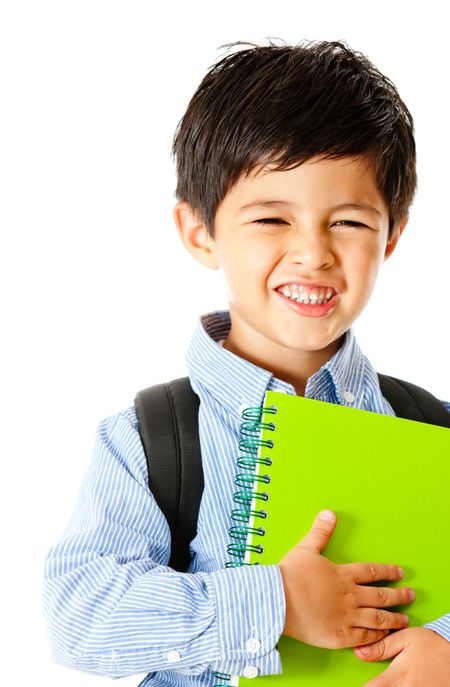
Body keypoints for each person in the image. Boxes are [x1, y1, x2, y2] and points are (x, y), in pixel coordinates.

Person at [42, 40, 450, 687]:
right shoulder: (149, 439)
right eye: (270, 218)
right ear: (200, 231)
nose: (312, 253)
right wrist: (276, 601)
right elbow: (79, 614)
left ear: (391, 234)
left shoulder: (435, 429)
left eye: (347, 221)